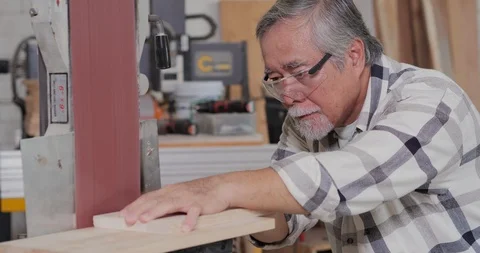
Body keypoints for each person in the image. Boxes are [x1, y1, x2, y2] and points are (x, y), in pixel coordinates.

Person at [121, 0, 480, 252]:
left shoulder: (432, 102)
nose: (287, 94)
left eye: (298, 72)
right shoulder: (308, 118)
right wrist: (217, 217)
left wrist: (218, 187)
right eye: (275, 77)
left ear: (353, 55)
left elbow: (344, 179)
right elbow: (287, 220)